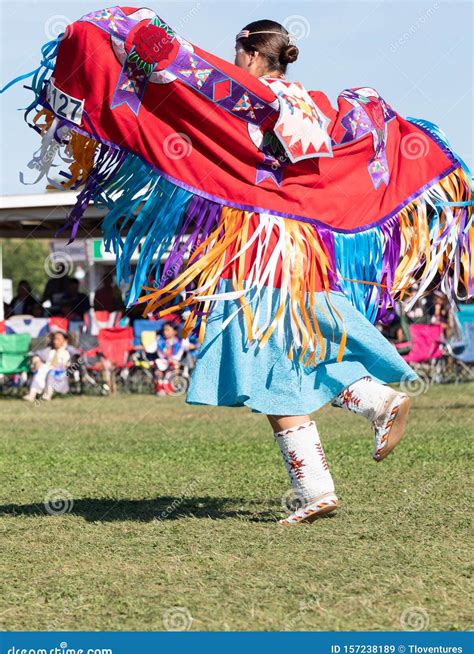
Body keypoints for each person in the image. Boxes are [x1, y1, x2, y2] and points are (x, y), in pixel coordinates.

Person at [6, 8, 473, 525]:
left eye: (236, 54)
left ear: (251, 53)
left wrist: (114, 31)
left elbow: (180, 75)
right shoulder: (317, 105)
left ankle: (324, 473)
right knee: (294, 350)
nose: (232, 62)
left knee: (259, 355)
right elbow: (359, 130)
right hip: (305, 247)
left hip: (260, 245)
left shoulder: (249, 95)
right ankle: (368, 409)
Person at [23, 331, 71, 401]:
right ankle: (32, 394)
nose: (55, 342)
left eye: (58, 339)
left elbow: (70, 363)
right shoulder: (49, 351)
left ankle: (47, 394)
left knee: (50, 372)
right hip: (47, 368)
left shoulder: (68, 352)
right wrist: (37, 361)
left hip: (60, 372)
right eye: (54, 339)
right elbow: (37, 355)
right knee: (40, 370)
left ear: (64, 341)